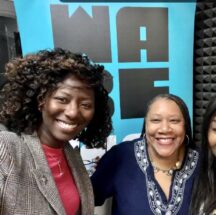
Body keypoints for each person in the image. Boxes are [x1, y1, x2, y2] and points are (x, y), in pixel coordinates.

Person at [0, 48, 112, 215]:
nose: (73, 112)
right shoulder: (7, 148)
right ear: (41, 100)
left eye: (85, 105)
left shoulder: (71, 154)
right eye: (62, 99)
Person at [91, 93, 200, 215]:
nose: (164, 129)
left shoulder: (204, 164)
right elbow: (83, 200)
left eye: (174, 121)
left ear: (185, 125)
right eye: (156, 120)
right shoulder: (121, 156)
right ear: (146, 124)